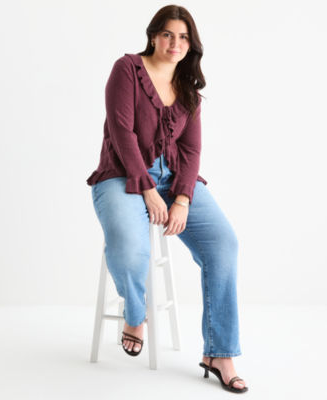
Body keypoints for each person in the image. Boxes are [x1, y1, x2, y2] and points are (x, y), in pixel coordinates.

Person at [86, 5, 248, 394]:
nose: (175, 43)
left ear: (192, 44)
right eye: (168, 35)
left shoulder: (188, 88)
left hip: (173, 180)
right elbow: (122, 132)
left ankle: (219, 354)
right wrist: (145, 188)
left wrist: (183, 199)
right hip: (122, 176)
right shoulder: (127, 69)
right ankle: (136, 315)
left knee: (223, 243)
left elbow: (191, 151)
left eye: (184, 37)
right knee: (130, 249)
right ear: (154, 36)